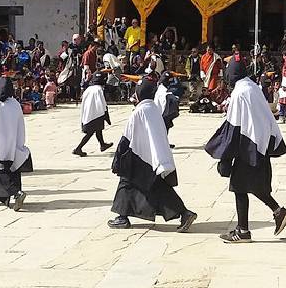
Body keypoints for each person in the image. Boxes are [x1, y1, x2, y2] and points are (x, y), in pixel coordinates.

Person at [205, 58, 286, 243]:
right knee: (250, 184)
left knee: (239, 186)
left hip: (249, 145)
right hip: (261, 142)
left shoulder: (240, 92)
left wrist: (225, 156)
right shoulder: (251, 86)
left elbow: (234, 125)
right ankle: (278, 212)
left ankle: (243, 231)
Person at [108, 78, 197, 231]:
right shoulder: (153, 108)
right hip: (152, 156)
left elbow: (127, 136)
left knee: (127, 182)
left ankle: (123, 218)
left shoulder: (139, 111)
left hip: (139, 156)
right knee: (154, 187)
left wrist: (119, 157)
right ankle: (184, 213)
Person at [0, 77, 31, 209]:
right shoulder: (14, 104)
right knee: (12, 169)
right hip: (12, 143)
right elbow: (20, 125)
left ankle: (16, 193)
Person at [73, 72, 113, 157]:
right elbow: (103, 104)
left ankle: (102, 145)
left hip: (88, 113)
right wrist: (107, 117)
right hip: (96, 114)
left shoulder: (88, 89)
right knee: (90, 132)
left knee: (98, 129)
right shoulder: (99, 90)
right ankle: (78, 148)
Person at [155, 72, 180, 148]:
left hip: (163, 111)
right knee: (163, 128)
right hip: (162, 111)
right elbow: (167, 97)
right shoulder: (162, 89)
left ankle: (164, 143)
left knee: (166, 127)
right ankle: (161, 144)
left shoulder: (163, 88)